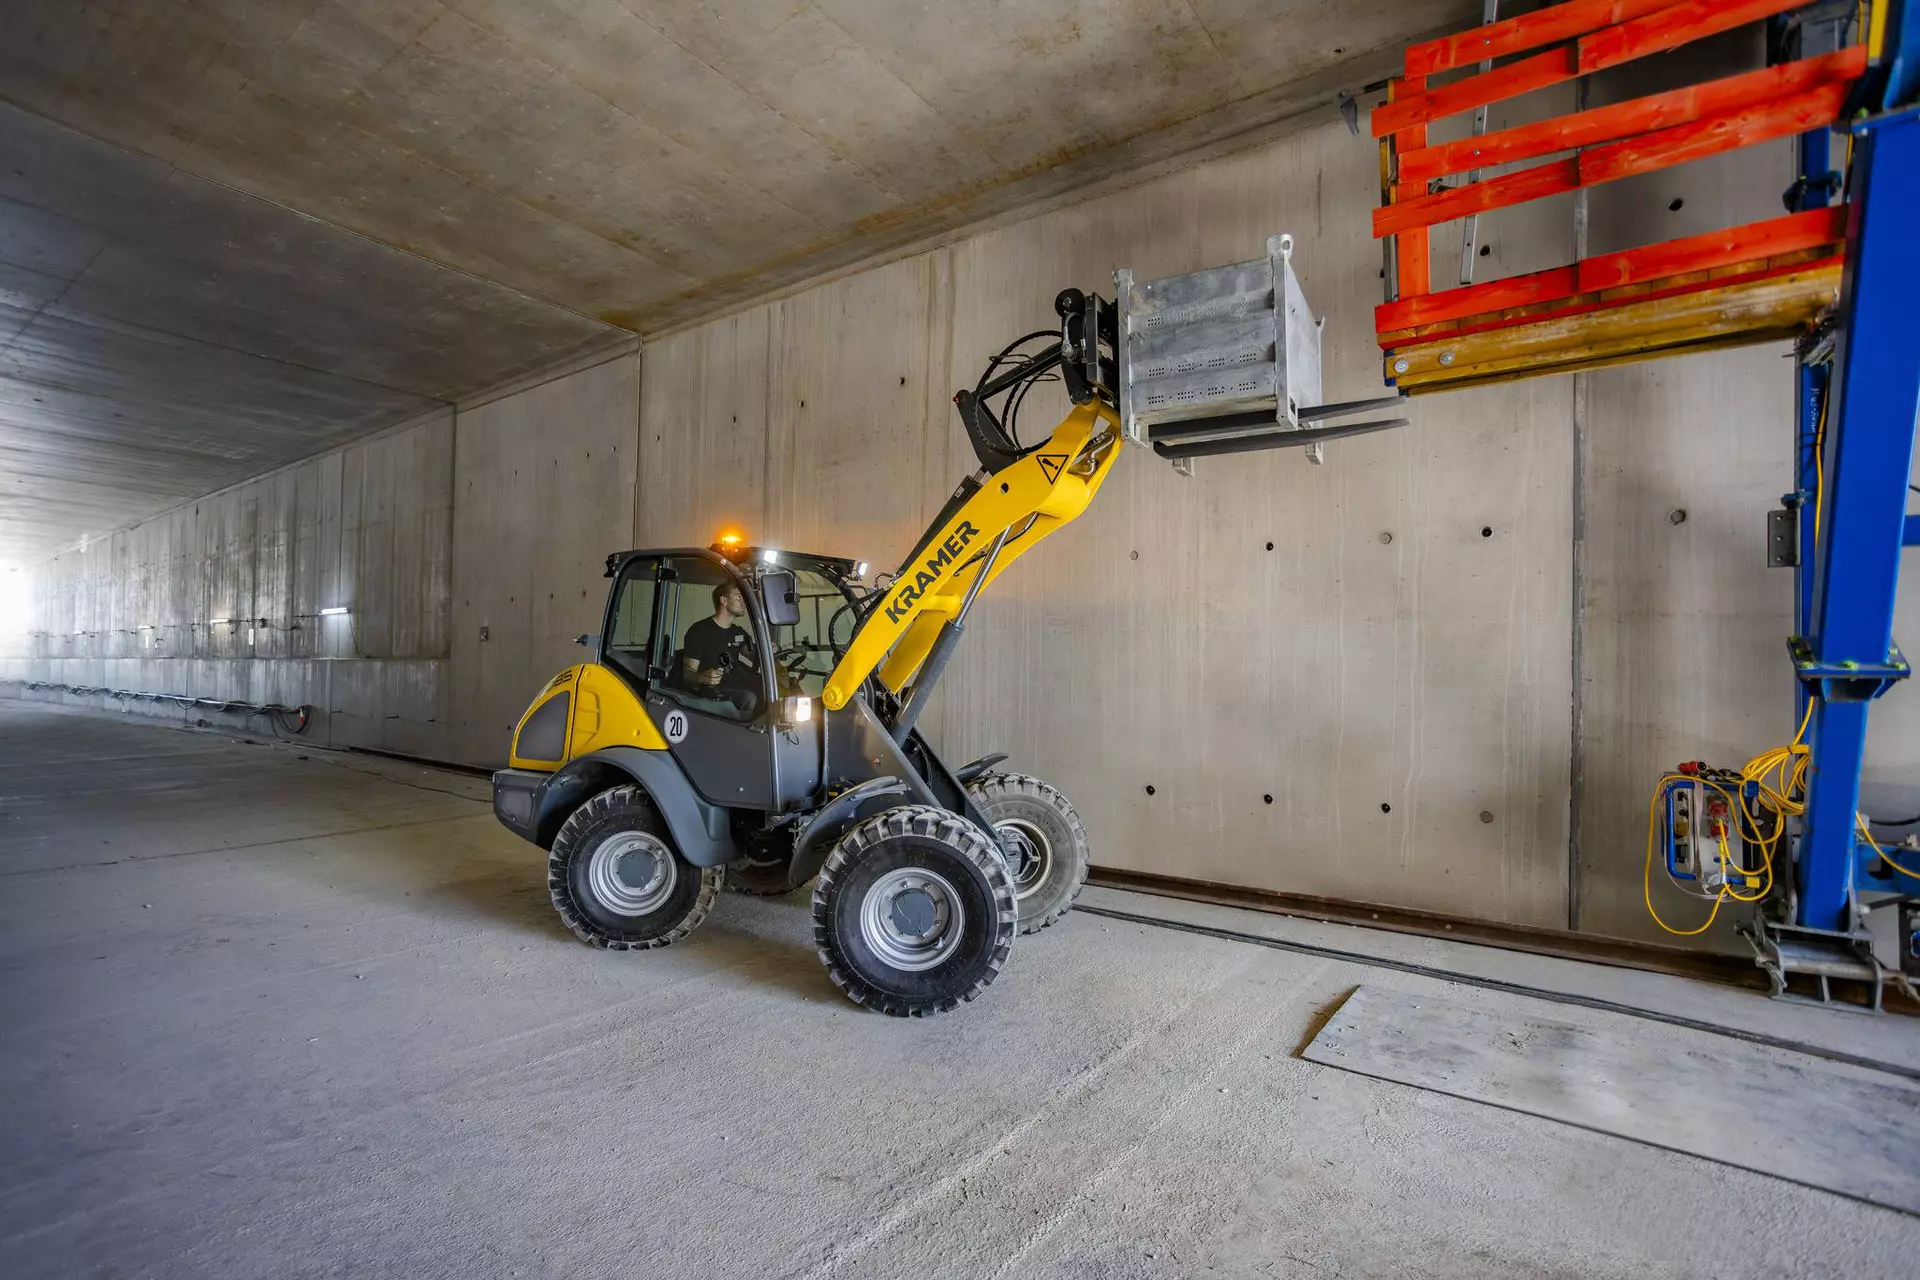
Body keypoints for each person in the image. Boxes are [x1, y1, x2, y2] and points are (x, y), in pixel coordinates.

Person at [679, 582, 760, 717]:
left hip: (734, 686)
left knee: (764, 690)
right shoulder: (699, 631)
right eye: (738, 596)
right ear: (724, 601)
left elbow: (754, 655)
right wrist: (703, 677)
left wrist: (770, 649)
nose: (743, 601)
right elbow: (687, 674)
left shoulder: (738, 632)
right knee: (748, 697)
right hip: (710, 692)